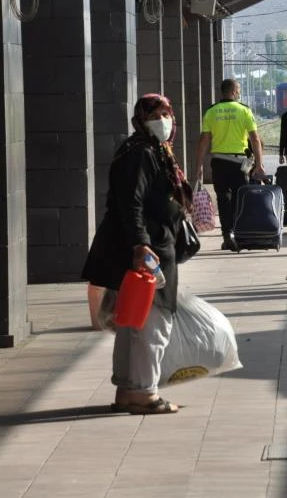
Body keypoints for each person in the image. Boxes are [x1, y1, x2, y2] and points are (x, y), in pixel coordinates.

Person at [82, 94, 193, 415]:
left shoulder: (150, 151)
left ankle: (128, 390)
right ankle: (145, 393)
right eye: (155, 114)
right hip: (148, 250)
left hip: (146, 246)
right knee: (153, 323)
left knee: (132, 321)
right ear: (140, 119)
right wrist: (141, 245)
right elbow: (132, 204)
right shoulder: (142, 153)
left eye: (166, 113)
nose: (163, 120)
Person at [195, 79, 265, 251]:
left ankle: (227, 235)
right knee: (241, 197)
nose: (239, 92)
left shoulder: (211, 112)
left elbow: (204, 141)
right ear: (234, 91)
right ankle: (239, 233)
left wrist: (199, 165)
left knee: (223, 198)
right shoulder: (244, 110)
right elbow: (255, 139)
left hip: (219, 162)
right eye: (239, 89)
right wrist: (259, 164)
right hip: (240, 163)